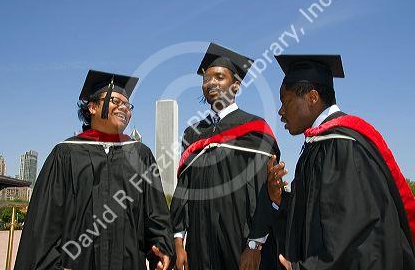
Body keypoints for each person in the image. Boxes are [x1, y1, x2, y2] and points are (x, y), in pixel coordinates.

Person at [15, 70, 174, 270]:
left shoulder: (140, 154)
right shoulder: (65, 153)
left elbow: (156, 213)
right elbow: (46, 222)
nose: (123, 107)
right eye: (116, 101)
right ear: (92, 107)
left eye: (127, 105)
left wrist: (161, 246)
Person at [267, 55, 415, 269]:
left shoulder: (341, 146)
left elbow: (354, 234)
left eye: (285, 100)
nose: (281, 111)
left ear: (312, 97)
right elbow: (316, 217)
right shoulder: (320, 144)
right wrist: (279, 198)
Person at [170, 43, 281, 270]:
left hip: (242, 242)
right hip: (200, 244)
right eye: (206, 79)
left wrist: (255, 244)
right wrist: (179, 242)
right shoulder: (193, 134)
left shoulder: (255, 129)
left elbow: (266, 193)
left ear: (236, 85)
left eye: (219, 77)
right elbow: (183, 191)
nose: (211, 83)